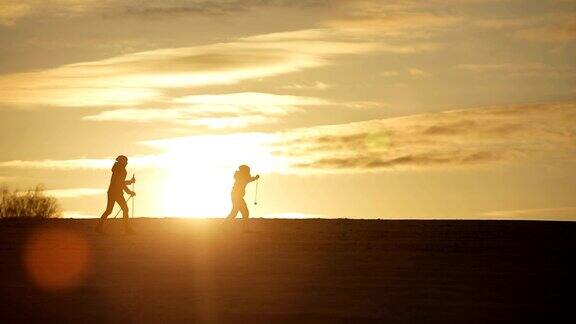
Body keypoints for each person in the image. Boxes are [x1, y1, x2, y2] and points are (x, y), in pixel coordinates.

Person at [95, 155, 136, 234]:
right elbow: (120, 183)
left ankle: (99, 227)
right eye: (126, 161)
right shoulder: (122, 170)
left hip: (111, 192)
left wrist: (129, 184)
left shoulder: (116, 168)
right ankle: (127, 229)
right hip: (117, 193)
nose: (127, 163)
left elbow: (120, 182)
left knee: (109, 210)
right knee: (125, 209)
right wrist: (129, 190)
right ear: (122, 161)